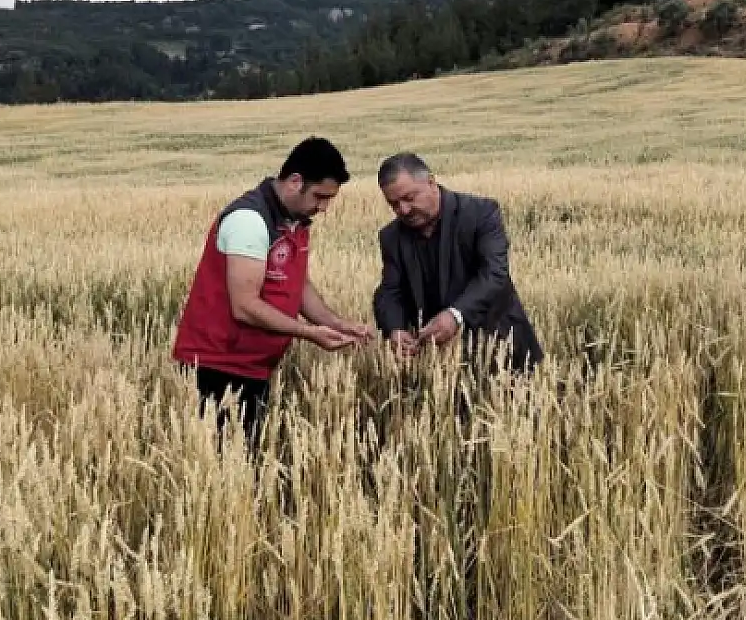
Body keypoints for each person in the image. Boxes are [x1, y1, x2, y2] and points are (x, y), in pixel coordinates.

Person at [171, 137, 372, 448]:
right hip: (216, 367)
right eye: (320, 197)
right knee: (224, 469)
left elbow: (296, 284)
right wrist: (308, 332)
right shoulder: (249, 221)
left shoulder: (295, 221)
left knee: (245, 464)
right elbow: (246, 306)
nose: (324, 208)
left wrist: (335, 323)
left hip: (253, 367)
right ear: (295, 182)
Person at [373, 153, 542, 372]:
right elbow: (389, 291)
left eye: (409, 198)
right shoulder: (391, 236)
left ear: (431, 182)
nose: (403, 210)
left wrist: (456, 315)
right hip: (436, 363)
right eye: (394, 204)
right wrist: (394, 329)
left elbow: (494, 274)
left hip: (500, 348)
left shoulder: (481, 213)